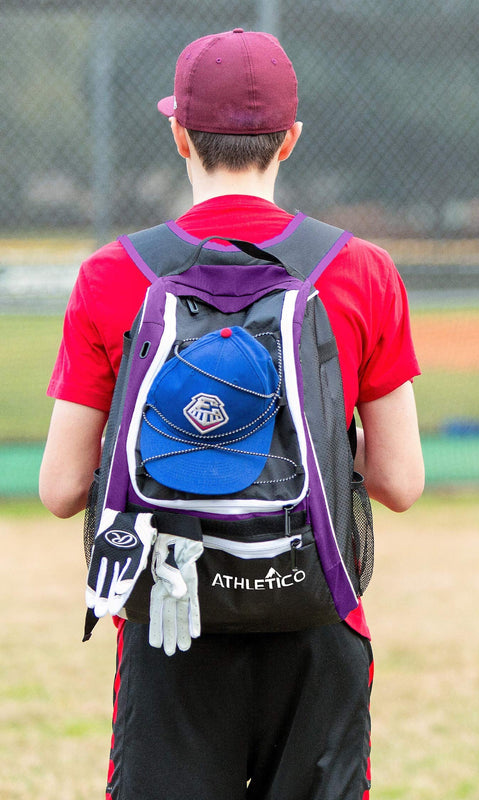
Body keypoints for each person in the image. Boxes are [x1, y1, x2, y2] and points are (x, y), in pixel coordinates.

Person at [39, 28, 425, 800]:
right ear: (291, 141)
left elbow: (58, 489)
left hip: (169, 619)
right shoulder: (361, 271)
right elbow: (399, 482)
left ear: (178, 132)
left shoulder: (113, 275)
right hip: (316, 613)